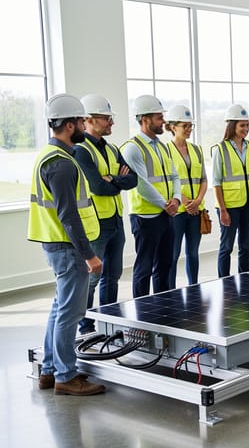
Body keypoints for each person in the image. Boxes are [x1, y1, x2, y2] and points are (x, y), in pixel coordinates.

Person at [28, 93, 105, 395]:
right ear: (70, 125)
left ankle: (49, 370)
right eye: (82, 121)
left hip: (56, 246)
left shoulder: (50, 156)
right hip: (68, 248)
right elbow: (69, 216)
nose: (85, 125)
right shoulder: (61, 164)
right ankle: (65, 376)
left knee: (60, 308)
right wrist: (89, 256)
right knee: (71, 313)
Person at [72, 94, 136, 334]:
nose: (111, 122)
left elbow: (133, 180)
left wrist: (114, 180)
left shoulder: (111, 148)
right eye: (106, 118)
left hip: (116, 222)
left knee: (113, 275)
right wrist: (117, 180)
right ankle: (85, 325)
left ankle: (110, 321)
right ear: (88, 120)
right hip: (97, 224)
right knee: (92, 280)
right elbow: (97, 187)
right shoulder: (81, 151)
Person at [120, 94, 181, 297]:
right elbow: (141, 184)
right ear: (145, 119)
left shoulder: (162, 146)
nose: (163, 121)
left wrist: (177, 199)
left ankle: (163, 311)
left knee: (165, 266)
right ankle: (141, 316)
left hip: (167, 215)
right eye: (158, 117)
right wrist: (167, 204)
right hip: (146, 217)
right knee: (144, 268)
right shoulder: (132, 148)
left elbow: (174, 176)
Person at [212, 104, 249, 276]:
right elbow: (216, 182)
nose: (246, 129)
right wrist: (223, 210)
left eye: (247, 125)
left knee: (245, 247)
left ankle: (245, 280)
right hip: (229, 206)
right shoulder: (220, 149)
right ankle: (224, 283)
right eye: (242, 125)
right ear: (232, 125)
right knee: (226, 247)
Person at [164, 105, 207, 287]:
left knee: (193, 253)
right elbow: (167, 180)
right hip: (177, 212)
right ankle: (170, 291)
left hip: (196, 210)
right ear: (173, 127)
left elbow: (203, 179)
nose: (189, 130)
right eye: (185, 126)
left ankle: (193, 287)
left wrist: (197, 201)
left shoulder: (196, 150)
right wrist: (184, 200)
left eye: (191, 126)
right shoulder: (165, 150)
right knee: (172, 255)